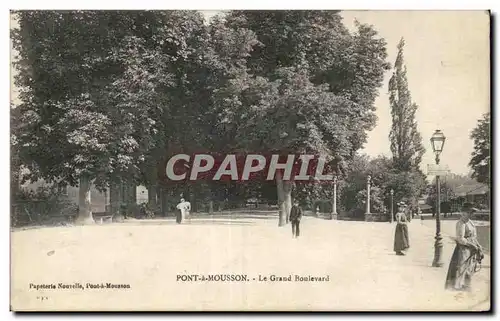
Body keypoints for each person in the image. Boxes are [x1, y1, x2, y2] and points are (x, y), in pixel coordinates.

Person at [445, 203, 484, 291]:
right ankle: (456, 288)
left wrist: (478, 246)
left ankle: (466, 286)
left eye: (472, 212)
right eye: (470, 212)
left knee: (470, 269)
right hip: (463, 250)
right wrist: (472, 245)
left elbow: (473, 237)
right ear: (464, 212)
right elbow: (460, 239)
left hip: (471, 249)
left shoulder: (470, 222)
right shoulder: (461, 223)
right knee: (461, 268)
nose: (471, 214)